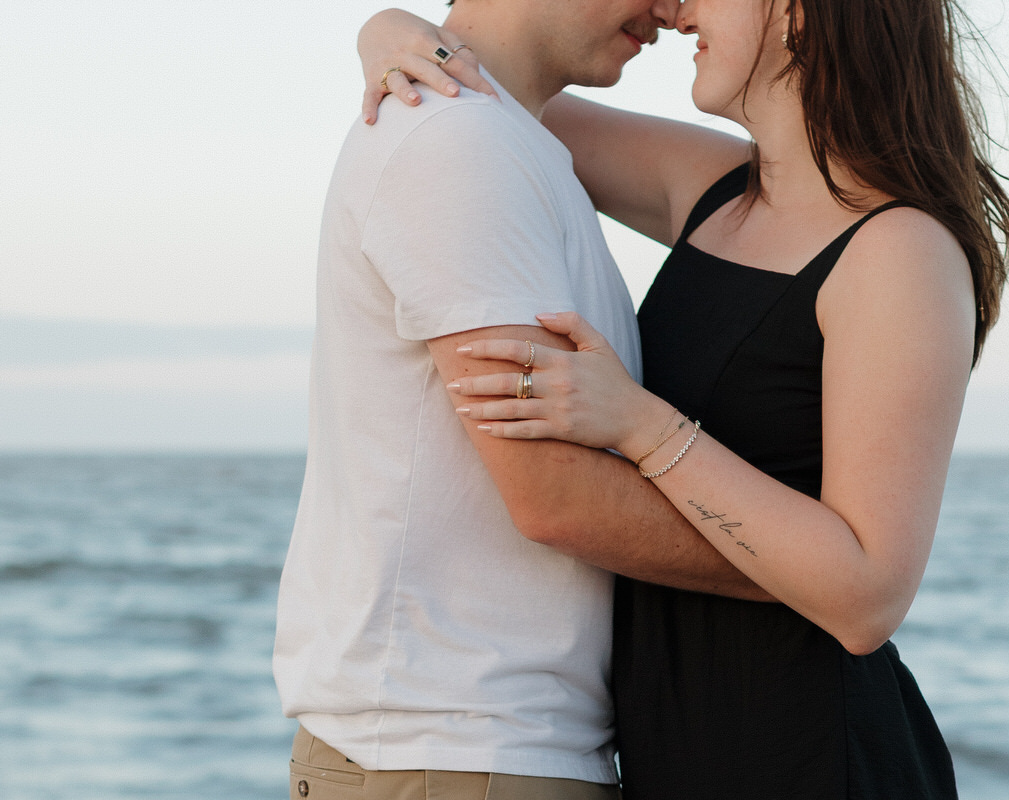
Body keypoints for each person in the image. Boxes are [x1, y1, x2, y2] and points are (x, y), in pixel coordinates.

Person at [356, 0, 1009, 797]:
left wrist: (642, 426)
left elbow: (871, 594)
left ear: (800, 16)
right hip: (672, 743)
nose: (678, 9)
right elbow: (493, 84)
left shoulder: (901, 250)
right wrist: (388, 30)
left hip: (807, 753)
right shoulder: (718, 190)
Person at [273, 2, 792, 799]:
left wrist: (391, 27)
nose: (668, 4)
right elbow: (556, 495)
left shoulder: (500, 133)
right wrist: (821, 571)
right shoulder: (458, 141)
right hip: (456, 748)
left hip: (478, 748)